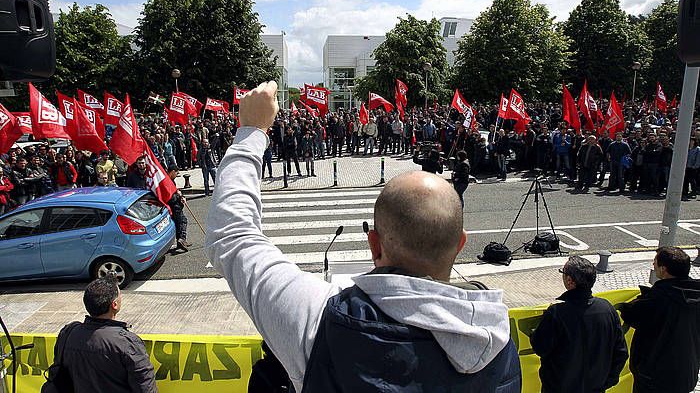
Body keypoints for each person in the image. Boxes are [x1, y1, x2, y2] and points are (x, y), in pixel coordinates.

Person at [206, 81, 521, 393]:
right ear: (460, 244)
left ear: (374, 244)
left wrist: (251, 131)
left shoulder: (320, 320)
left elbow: (233, 236)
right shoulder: (501, 342)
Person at [531, 256, 628, 392]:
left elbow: (540, 347)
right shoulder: (608, 309)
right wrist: (607, 381)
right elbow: (621, 353)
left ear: (570, 281)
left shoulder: (557, 313)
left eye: (563, 273)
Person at [48, 275, 157, 393]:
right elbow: (145, 388)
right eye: (120, 294)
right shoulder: (127, 343)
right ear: (114, 305)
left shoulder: (68, 333)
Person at [620, 247, 700, 393]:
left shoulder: (657, 299)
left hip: (655, 378)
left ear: (664, 269)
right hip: (687, 373)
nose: (653, 265)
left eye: (655, 262)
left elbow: (629, 313)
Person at [167, 164, 191, 252]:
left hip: (176, 205)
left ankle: (180, 240)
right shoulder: (167, 181)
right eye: (176, 173)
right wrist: (179, 197)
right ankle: (182, 239)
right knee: (182, 221)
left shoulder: (171, 180)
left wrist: (180, 195)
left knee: (178, 223)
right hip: (174, 206)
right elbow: (170, 197)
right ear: (172, 172)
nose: (176, 175)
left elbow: (175, 191)